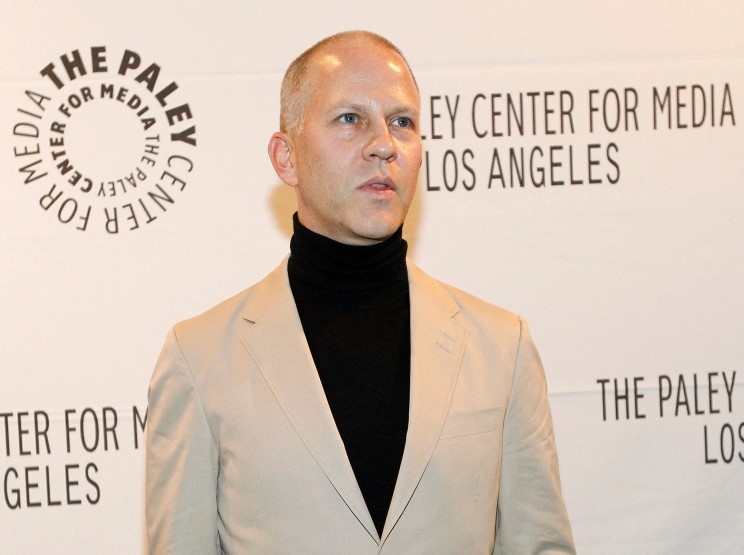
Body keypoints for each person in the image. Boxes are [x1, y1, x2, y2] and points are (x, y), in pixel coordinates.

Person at [146, 30, 575, 554]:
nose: (383, 144)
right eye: (350, 119)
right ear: (287, 158)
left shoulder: (501, 347)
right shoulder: (201, 359)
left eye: (403, 122)